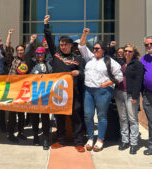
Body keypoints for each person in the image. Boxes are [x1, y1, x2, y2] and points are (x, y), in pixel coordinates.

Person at [44, 15, 86, 152]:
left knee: (76, 118)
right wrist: (46, 25)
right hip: (58, 94)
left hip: (74, 94)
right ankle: (60, 140)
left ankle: (78, 142)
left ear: (70, 45)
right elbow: (50, 41)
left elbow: (84, 73)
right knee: (60, 118)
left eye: (65, 44)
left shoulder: (77, 58)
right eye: (61, 44)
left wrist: (78, 73)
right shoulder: (56, 55)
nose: (63, 46)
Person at [78, 28, 123, 152]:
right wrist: (85, 35)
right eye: (94, 48)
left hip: (103, 92)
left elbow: (119, 76)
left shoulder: (109, 61)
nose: (95, 50)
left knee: (102, 116)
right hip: (88, 91)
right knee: (88, 115)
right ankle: (91, 138)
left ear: (103, 50)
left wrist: (108, 83)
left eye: (97, 48)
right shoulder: (90, 58)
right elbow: (81, 45)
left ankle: (100, 139)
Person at [5, 29, 35, 143]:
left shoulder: (27, 60)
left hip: (23, 89)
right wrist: (9, 34)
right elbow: (7, 48)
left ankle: (21, 132)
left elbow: (28, 50)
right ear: (16, 52)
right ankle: (10, 133)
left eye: (22, 50)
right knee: (12, 113)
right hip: (13, 88)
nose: (20, 52)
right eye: (18, 50)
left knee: (21, 112)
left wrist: (32, 41)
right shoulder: (12, 60)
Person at [114, 44, 144, 154]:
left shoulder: (138, 64)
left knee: (132, 119)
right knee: (123, 118)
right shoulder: (121, 62)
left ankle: (134, 143)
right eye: (126, 51)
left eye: (130, 51)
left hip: (130, 95)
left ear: (134, 52)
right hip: (119, 93)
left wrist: (135, 96)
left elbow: (138, 81)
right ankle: (125, 141)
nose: (127, 53)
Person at [28, 46, 52, 150]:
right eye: (37, 54)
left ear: (44, 54)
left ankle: (46, 138)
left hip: (45, 94)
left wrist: (46, 76)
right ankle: (36, 136)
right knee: (34, 116)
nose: (39, 55)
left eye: (41, 53)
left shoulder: (49, 64)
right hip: (34, 93)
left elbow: (53, 75)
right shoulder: (32, 63)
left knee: (45, 117)